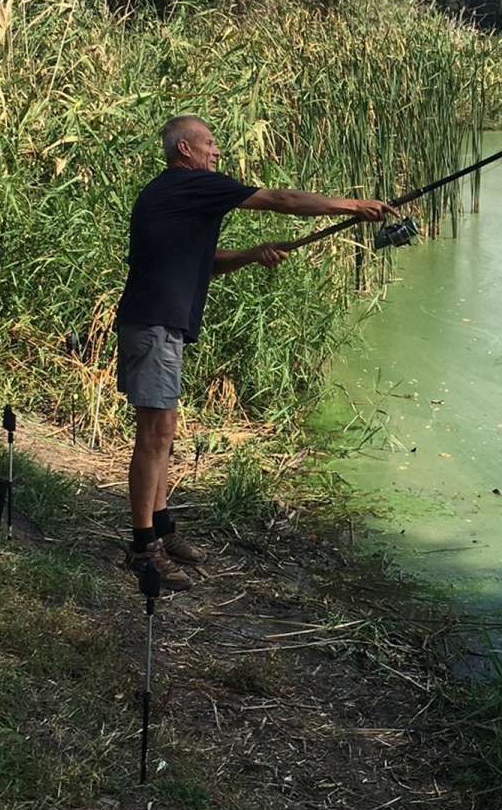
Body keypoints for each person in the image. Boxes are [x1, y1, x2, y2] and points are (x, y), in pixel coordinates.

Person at [114, 114, 393, 589]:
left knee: (164, 432)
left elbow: (204, 263)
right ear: (185, 150)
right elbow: (278, 199)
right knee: (154, 436)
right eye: (209, 143)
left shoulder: (170, 195)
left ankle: (162, 527)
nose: (216, 152)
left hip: (160, 325)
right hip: (155, 325)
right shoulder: (189, 184)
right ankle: (144, 547)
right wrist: (349, 205)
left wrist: (251, 253)